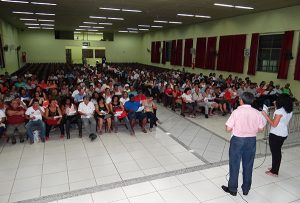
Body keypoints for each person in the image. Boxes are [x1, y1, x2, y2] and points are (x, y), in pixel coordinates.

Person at [222, 92, 265, 196]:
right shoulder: (257, 112)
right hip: (251, 141)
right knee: (248, 165)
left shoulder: (236, 112)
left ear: (241, 100)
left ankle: (232, 189)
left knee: (234, 164)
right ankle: (246, 189)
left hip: (237, 140)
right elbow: (261, 129)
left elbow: (228, 129)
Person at [262, 94, 293, 177]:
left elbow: (274, 124)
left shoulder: (279, 112)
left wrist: (266, 115)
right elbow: (280, 118)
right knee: (277, 152)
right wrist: (276, 105)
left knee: (276, 153)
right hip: (283, 133)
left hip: (276, 134)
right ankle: (274, 168)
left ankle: (274, 171)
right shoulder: (288, 110)